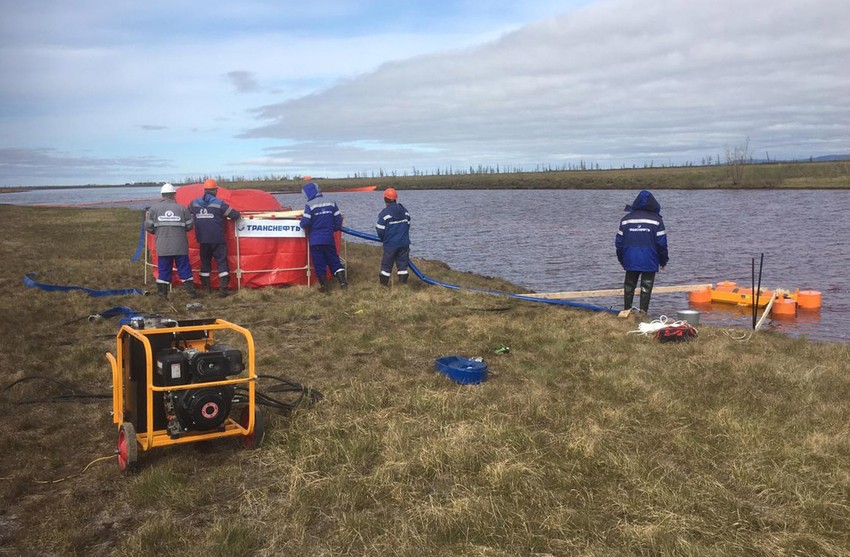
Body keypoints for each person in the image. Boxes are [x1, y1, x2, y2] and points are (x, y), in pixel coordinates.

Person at [615, 190, 668, 313]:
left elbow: (619, 243)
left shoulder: (626, 219)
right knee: (646, 286)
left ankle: (626, 311)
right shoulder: (656, 220)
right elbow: (662, 244)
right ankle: (643, 313)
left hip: (630, 258)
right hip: (650, 258)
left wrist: (621, 259)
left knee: (629, 285)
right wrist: (663, 261)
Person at [189, 178, 241, 297]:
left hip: (202, 239)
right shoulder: (219, 204)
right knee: (221, 263)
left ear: (205, 190)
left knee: (205, 263)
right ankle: (223, 290)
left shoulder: (194, 203)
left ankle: (206, 289)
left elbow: (187, 212)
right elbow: (235, 215)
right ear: (215, 191)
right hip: (218, 239)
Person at [145, 183, 198, 299]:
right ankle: (191, 293)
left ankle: (162, 295)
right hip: (180, 246)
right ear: (174, 195)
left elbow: (148, 227)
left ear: (162, 195)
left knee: (163, 269)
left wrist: (158, 232)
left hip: (163, 246)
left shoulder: (154, 209)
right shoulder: (182, 208)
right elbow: (189, 226)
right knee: (184, 268)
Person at [299, 180, 347, 292]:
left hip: (315, 240)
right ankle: (343, 283)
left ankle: (325, 287)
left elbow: (304, 223)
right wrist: (333, 228)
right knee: (334, 261)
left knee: (319, 263)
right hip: (329, 239)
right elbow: (338, 218)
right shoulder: (331, 202)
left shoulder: (310, 205)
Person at [375, 187, 411, 286]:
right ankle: (403, 286)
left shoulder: (385, 213)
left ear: (385, 199)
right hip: (404, 243)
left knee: (386, 267)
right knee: (403, 266)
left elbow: (380, 229)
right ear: (395, 198)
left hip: (390, 245)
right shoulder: (404, 211)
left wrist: (383, 238)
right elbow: (408, 224)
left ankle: (383, 287)